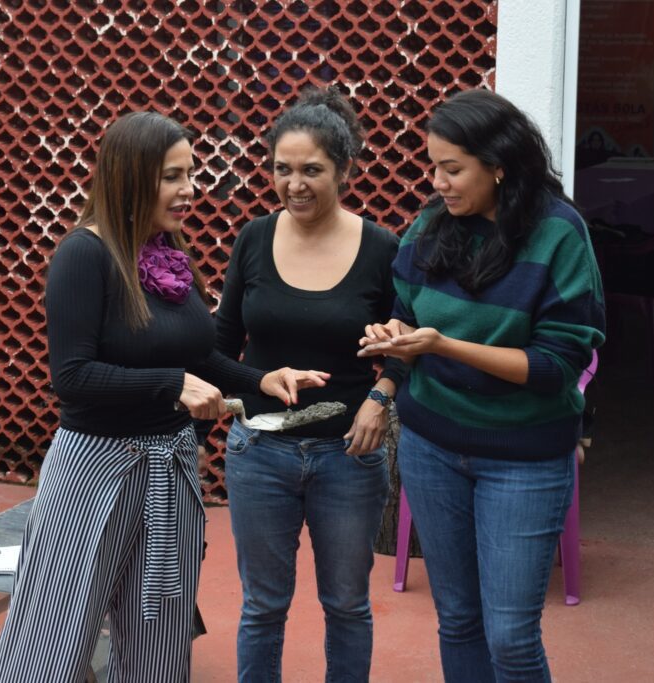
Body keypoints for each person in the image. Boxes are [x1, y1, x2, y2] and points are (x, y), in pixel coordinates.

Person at [0, 111, 327, 683]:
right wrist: (171, 387)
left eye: (190, 174)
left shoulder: (166, 255)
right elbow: (71, 376)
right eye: (173, 176)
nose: (190, 190)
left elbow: (194, 356)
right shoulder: (83, 255)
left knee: (158, 645)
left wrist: (259, 379)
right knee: (49, 643)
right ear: (130, 176)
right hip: (94, 472)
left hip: (170, 468)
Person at [359, 89, 605, 682]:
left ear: (498, 165)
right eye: (434, 167)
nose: (438, 182)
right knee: (458, 620)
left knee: (512, 638)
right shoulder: (430, 225)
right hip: (430, 447)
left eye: (453, 168)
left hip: (522, 457)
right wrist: (397, 335)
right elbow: (408, 310)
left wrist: (441, 343)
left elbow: (556, 366)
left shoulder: (558, 234)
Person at [215, 87, 406, 682]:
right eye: (282, 169)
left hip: (348, 456)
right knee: (263, 607)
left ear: (345, 170)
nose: (294, 184)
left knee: (347, 606)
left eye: (312, 171)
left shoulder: (381, 248)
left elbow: (409, 346)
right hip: (259, 451)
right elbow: (219, 347)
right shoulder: (253, 239)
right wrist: (240, 391)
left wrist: (381, 396)